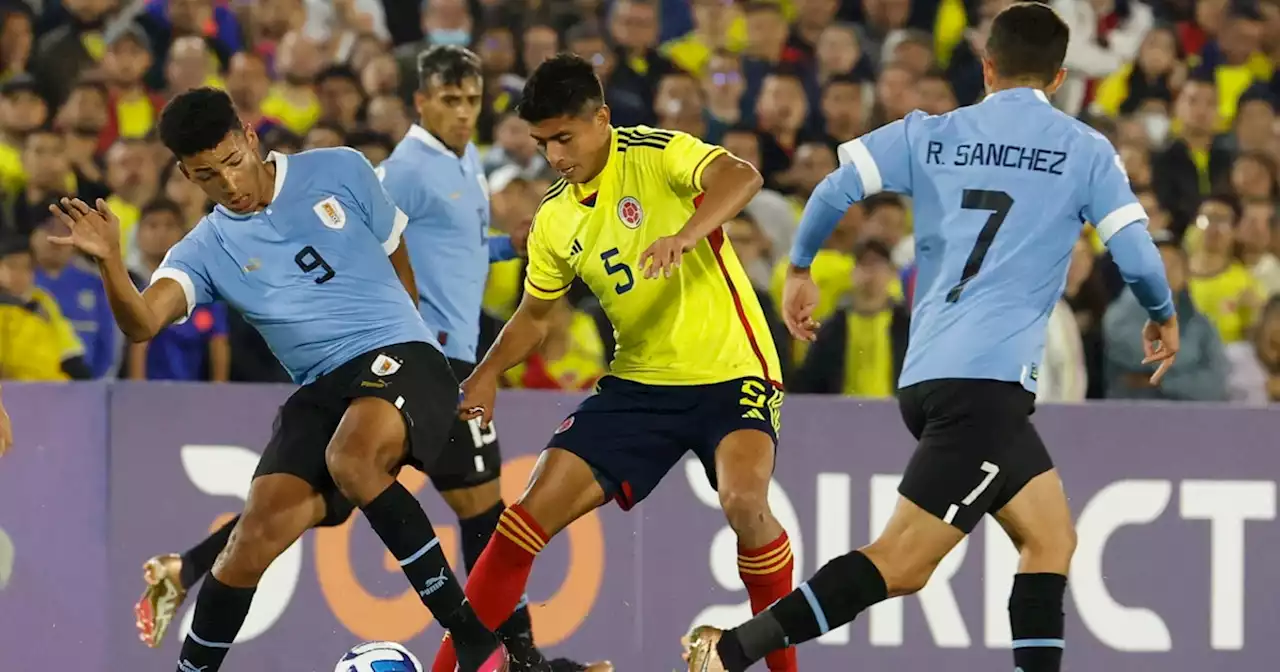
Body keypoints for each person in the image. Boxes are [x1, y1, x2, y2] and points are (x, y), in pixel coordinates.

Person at [683, 4, 1179, 671]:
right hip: (989, 387)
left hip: (931, 376)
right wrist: (1161, 311)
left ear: (987, 65)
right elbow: (1139, 255)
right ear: (1059, 77)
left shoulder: (931, 133)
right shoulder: (1084, 149)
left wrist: (799, 268)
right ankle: (731, 652)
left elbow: (834, 189)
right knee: (903, 563)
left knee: (1050, 539)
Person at [135, 47, 596, 672]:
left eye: (471, 100)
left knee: (458, 504)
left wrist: (497, 250)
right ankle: (507, 655)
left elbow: (426, 247)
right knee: (421, 505)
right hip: (414, 360)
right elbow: (381, 242)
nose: (463, 113)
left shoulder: (465, 170)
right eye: (449, 100)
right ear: (421, 102)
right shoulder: (403, 169)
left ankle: (513, 657)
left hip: (424, 357)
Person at [47, 87, 509, 672]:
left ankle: (472, 638)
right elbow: (140, 324)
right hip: (322, 388)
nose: (230, 185)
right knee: (248, 542)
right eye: (207, 176)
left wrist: (413, 345)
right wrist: (113, 262)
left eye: (232, 162)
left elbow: (397, 255)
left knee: (357, 459)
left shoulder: (339, 168)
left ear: (250, 137)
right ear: (187, 175)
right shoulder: (206, 248)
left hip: (402, 352)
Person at [431, 53, 799, 672]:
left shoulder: (656, 154)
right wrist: (486, 374)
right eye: (542, 142)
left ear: (601, 118)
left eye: (564, 138)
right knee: (522, 520)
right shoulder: (556, 217)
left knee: (743, 504)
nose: (553, 156)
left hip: (733, 369)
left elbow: (742, 177)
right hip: (639, 385)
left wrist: (686, 234)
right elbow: (534, 314)